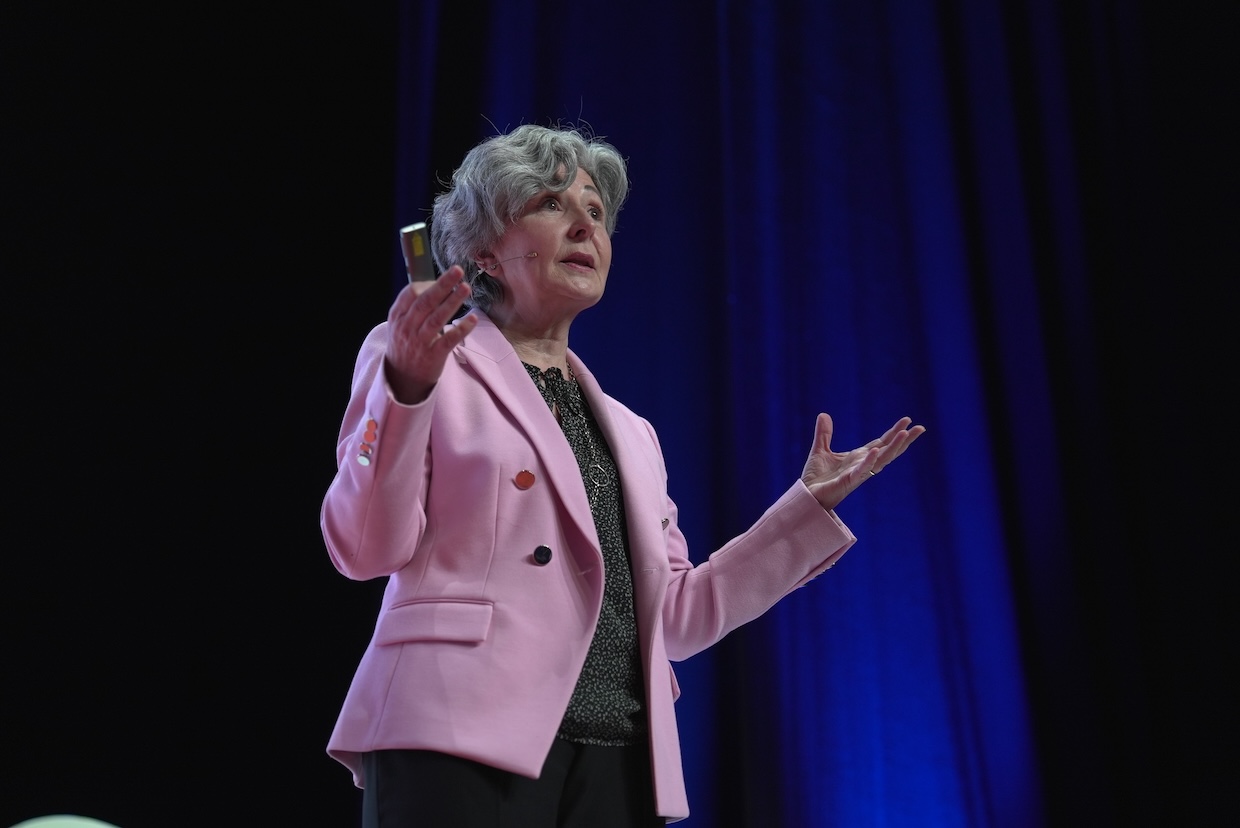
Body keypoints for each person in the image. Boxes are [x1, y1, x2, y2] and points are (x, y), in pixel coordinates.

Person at [320, 123, 924, 827]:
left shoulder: (633, 432)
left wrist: (802, 510)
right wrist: (408, 390)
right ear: (484, 251)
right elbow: (363, 548)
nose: (585, 225)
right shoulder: (420, 364)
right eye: (551, 205)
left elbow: (678, 617)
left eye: (597, 213)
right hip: (457, 731)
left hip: (617, 757)